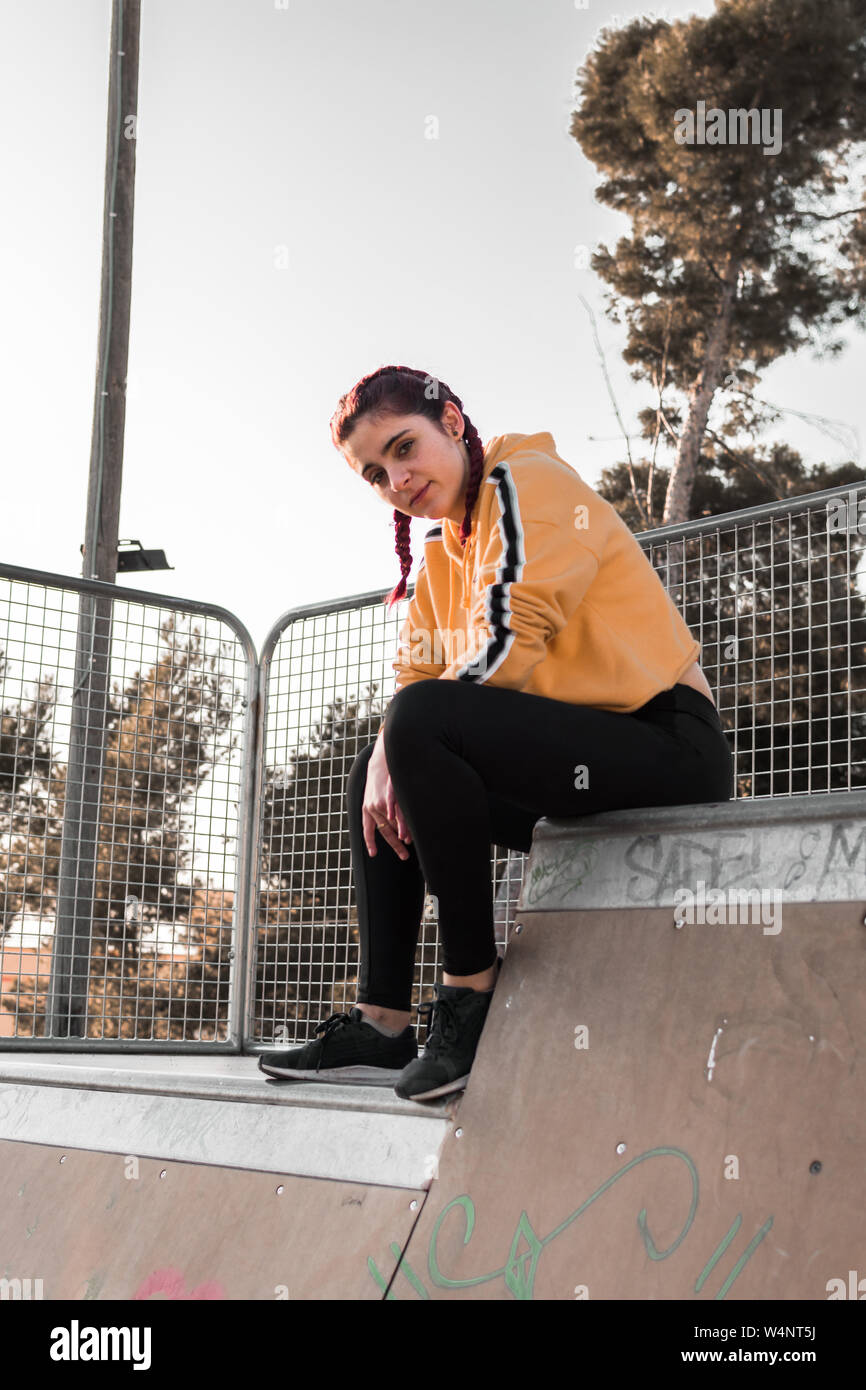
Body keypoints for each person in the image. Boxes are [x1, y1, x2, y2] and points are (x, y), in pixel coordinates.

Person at [258, 364, 734, 1102]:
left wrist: (407, 738)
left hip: (667, 746)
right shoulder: (444, 553)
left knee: (414, 731)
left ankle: (470, 992)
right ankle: (383, 1023)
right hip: (578, 763)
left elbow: (512, 640)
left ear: (451, 419)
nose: (398, 479)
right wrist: (389, 757)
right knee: (376, 764)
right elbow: (415, 674)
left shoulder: (527, 482)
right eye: (376, 474)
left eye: (405, 448)